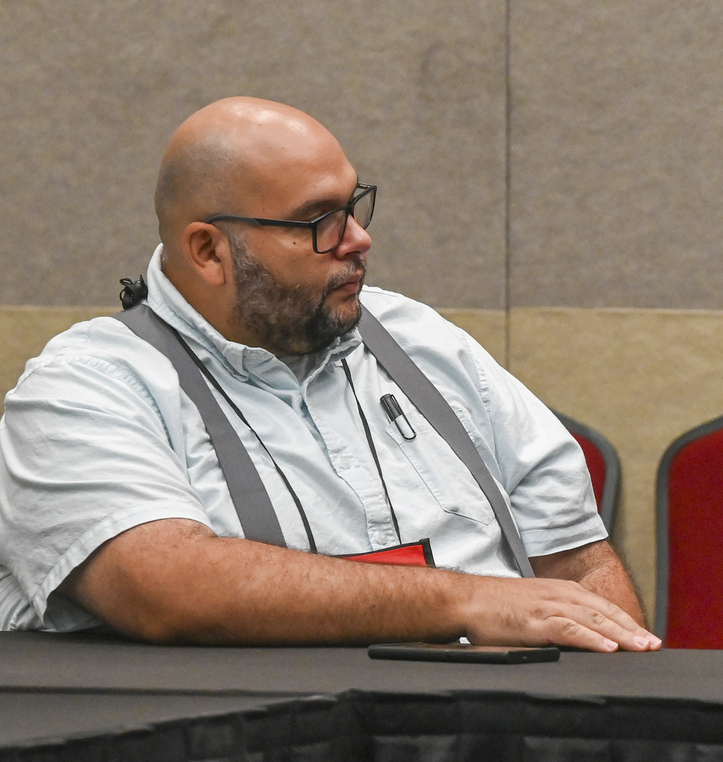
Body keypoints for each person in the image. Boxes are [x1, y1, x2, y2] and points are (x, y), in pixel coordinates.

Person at [0, 97, 660, 654]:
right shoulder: (87, 386)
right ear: (209, 251)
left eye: (354, 205)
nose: (357, 239)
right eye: (319, 220)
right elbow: (165, 586)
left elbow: (581, 565)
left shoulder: (424, 343)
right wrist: (468, 599)